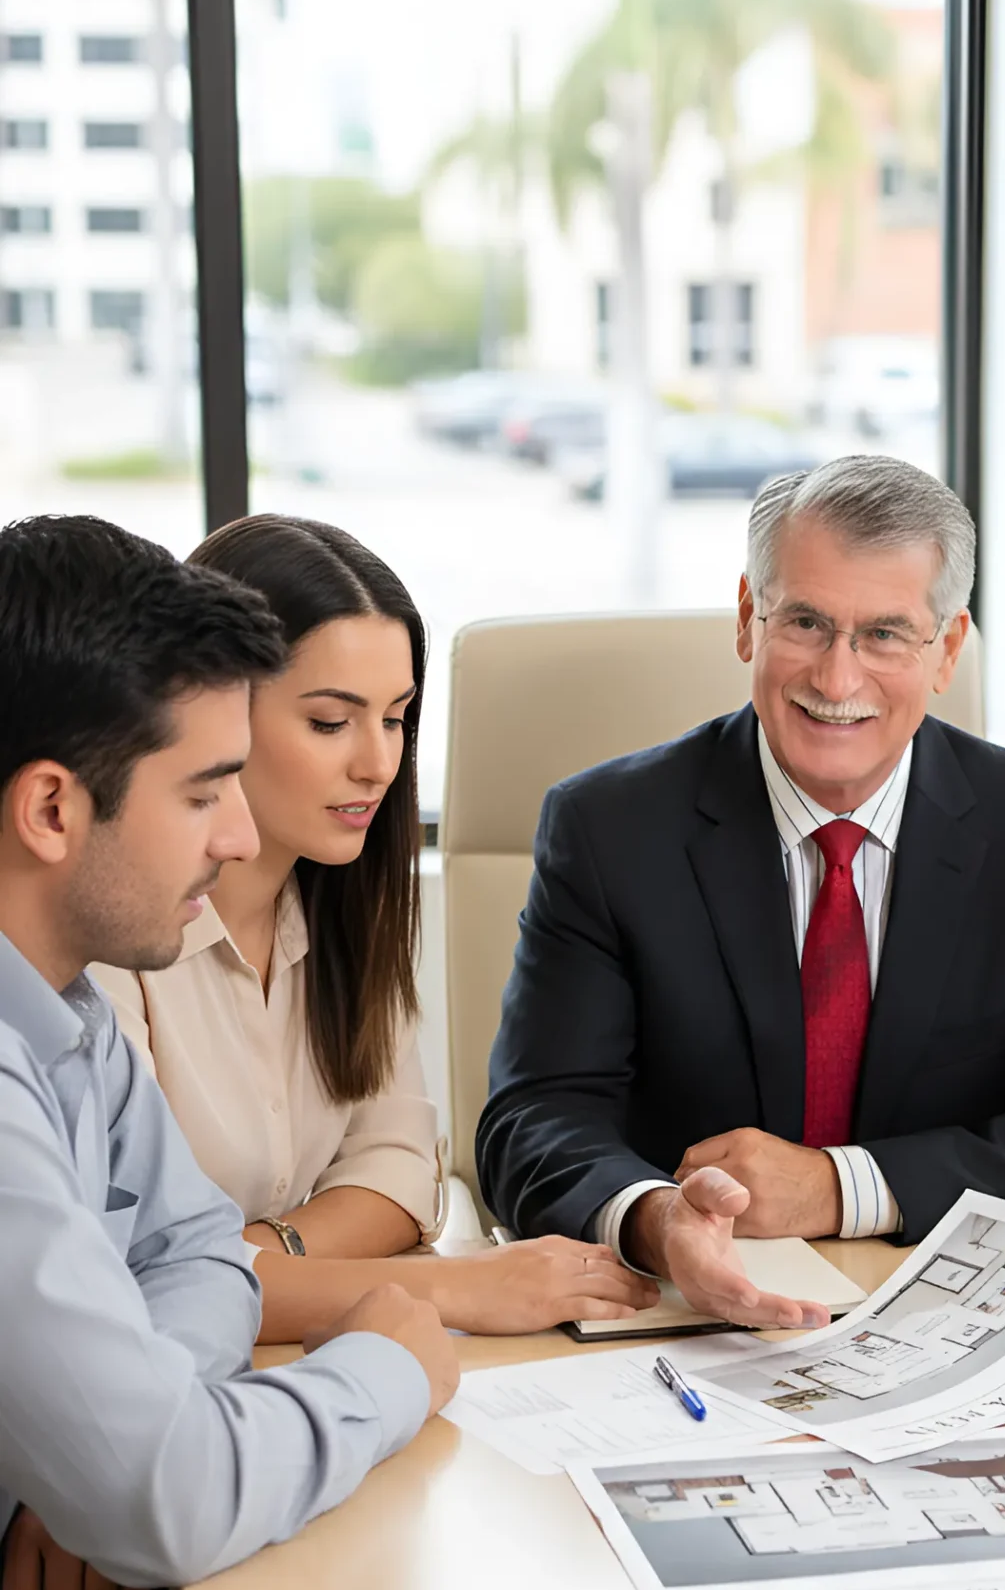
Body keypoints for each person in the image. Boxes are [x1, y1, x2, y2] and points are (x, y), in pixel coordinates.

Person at [0, 510, 461, 1590]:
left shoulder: (55, 1013)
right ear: (56, 807)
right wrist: (394, 1364)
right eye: (202, 789)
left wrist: (125, 1410)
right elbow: (173, 1491)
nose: (232, 838)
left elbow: (196, 1252)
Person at [479, 455, 1005, 1326]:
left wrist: (842, 1187)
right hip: (684, 1321)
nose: (836, 681)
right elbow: (531, 1122)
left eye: (883, 634)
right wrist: (656, 1221)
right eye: (804, 622)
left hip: (938, 1320)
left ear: (946, 649)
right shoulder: (609, 829)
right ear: (746, 620)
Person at [92, 515, 654, 1346]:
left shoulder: (344, 906)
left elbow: (398, 1173)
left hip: (298, 1359)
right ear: (214, 712)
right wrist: (454, 1290)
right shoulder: (111, 933)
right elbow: (133, 1281)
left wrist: (266, 1256)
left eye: (395, 718)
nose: (378, 763)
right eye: (329, 722)